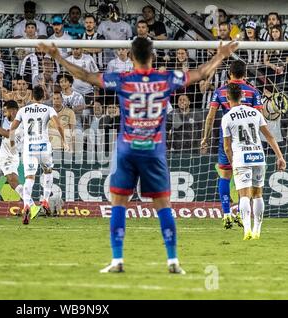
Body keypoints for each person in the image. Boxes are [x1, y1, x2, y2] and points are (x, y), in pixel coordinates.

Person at [38, 36, 238, 274]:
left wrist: (57, 56)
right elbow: (202, 73)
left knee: (119, 204)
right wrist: (221, 55)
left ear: (131, 57)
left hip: (127, 151)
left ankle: (117, 260)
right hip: (153, 151)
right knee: (163, 205)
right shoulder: (165, 79)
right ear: (153, 56)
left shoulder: (122, 79)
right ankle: (173, 261)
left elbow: (85, 76)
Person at [201, 60, 263, 230]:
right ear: (245, 74)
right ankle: (241, 215)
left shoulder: (221, 91)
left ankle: (227, 214)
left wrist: (205, 137)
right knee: (248, 180)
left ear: (229, 73)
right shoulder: (253, 91)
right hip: (248, 143)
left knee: (225, 176)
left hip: (226, 140)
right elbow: (259, 117)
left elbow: (211, 116)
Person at [221, 83, 286, 240]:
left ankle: (247, 231)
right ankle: (257, 231)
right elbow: (269, 136)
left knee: (244, 196)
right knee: (258, 195)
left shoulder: (227, 117)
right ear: (242, 96)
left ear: (227, 97)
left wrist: (232, 162)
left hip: (241, 158)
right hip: (258, 156)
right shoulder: (255, 113)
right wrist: (280, 156)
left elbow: (227, 147)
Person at [9, 86, 67, 224]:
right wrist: (64, 141)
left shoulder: (23, 110)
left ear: (32, 96)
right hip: (44, 147)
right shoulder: (48, 109)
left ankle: (27, 205)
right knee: (48, 171)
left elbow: (12, 128)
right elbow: (59, 125)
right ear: (43, 97)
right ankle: (46, 201)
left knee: (29, 177)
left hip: (29, 149)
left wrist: (12, 145)